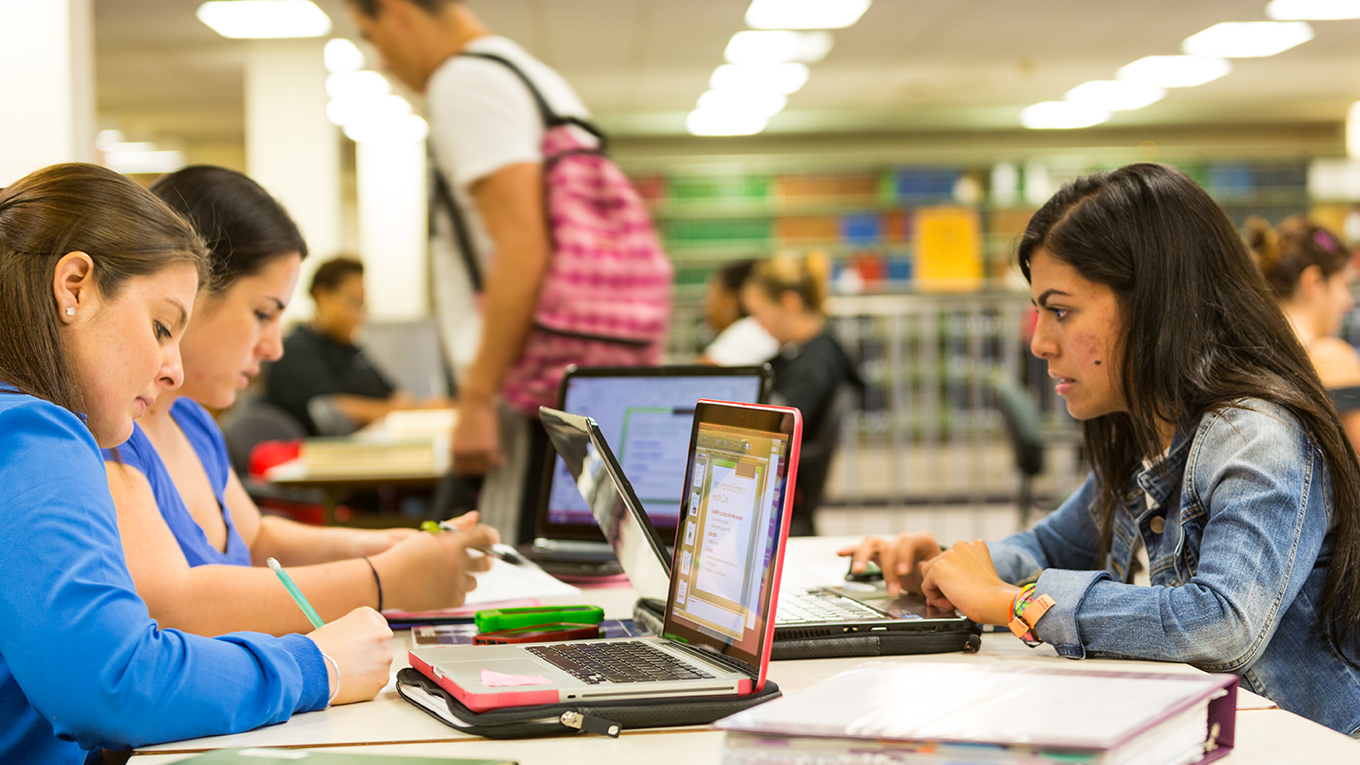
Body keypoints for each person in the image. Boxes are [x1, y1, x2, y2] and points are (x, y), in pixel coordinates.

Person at [841, 163, 1360, 736]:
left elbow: (1222, 624)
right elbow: (1054, 545)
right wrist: (945, 568)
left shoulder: (1255, 435)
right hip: (1193, 729)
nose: (1039, 341)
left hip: (1303, 742)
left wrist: (1011, 603)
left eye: (1060, 310)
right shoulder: (1147, 428)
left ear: (1155, 304)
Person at [0, 163, 393, 764]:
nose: (173, 370)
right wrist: (318, 665)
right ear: (74, 286)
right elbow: (117, 683)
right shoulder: (34, 433)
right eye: (160, 327)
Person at [104, 165, 498, 638]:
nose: (274, 347)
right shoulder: (110, 435)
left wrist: (382, 548)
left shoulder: (190, 422)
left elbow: (256, 540)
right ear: (188, 289)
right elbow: (176, 607)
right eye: (262, 313)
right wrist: (383, 579)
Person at [343, 0, 591, 542]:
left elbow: (525, 247)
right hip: (568, 376)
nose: (380, 58)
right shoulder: (533, 79)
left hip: (523, 392)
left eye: (371, 34)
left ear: (397, 12)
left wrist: (477, 398)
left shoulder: (464, 84)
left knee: (506, 573)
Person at [741, 253, 862, 536]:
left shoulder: (814, 362)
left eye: (759, 313)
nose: (757, 324)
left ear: (789, 303)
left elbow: (782, 422)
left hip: (784, 493)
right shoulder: (807, 353)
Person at [262, 256, 451, 435]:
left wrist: (421, 409)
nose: (359, 315)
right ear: (322, 297)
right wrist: (402, 413)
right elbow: (333, 408)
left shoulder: (352, 349)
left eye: (363, 306)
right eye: (353, 303)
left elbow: (393, 395)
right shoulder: (295, 349)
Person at [1247, 216, 1360, 451]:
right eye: (1344, 285)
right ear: (1314, 282)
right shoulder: (1329, 357)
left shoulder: (1247, 353)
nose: (1348, 302)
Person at [701, 259, 780, 366]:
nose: (707, 305)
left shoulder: (749, 330)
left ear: (730, 301)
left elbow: (697, 373)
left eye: (713, 294)